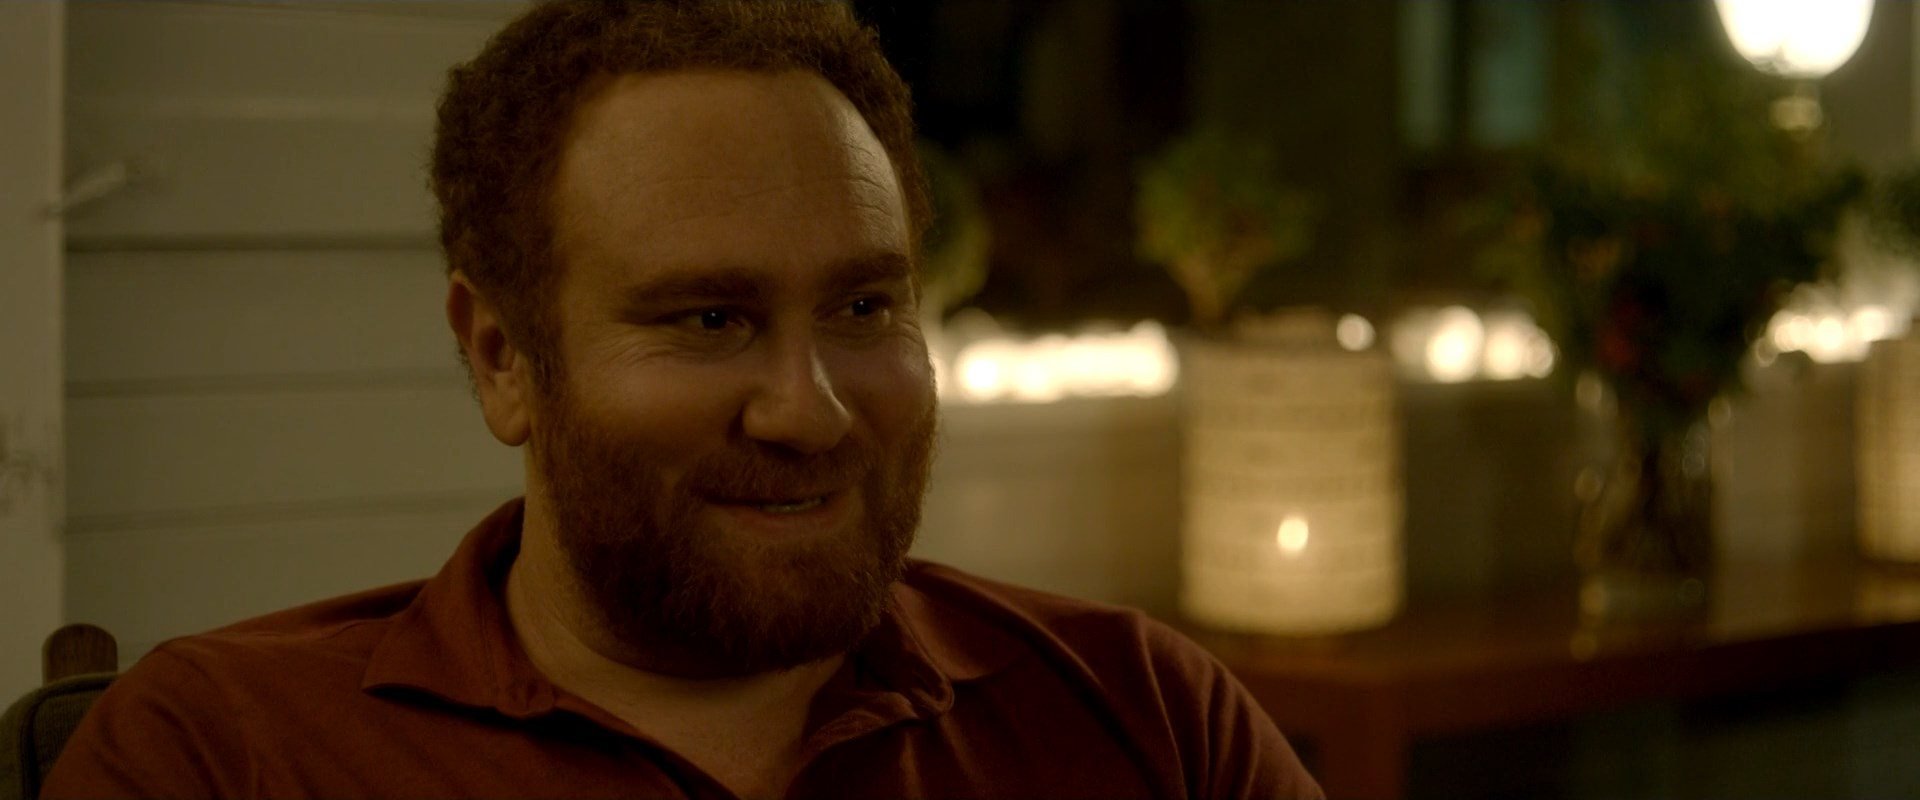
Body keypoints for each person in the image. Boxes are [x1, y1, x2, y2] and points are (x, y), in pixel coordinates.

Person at [44, 2, 1322, 798]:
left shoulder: (1146, 715)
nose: (807, 411)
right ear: (502, 356)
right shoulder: (221, 752)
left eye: (863, 305)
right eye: (710, 319)